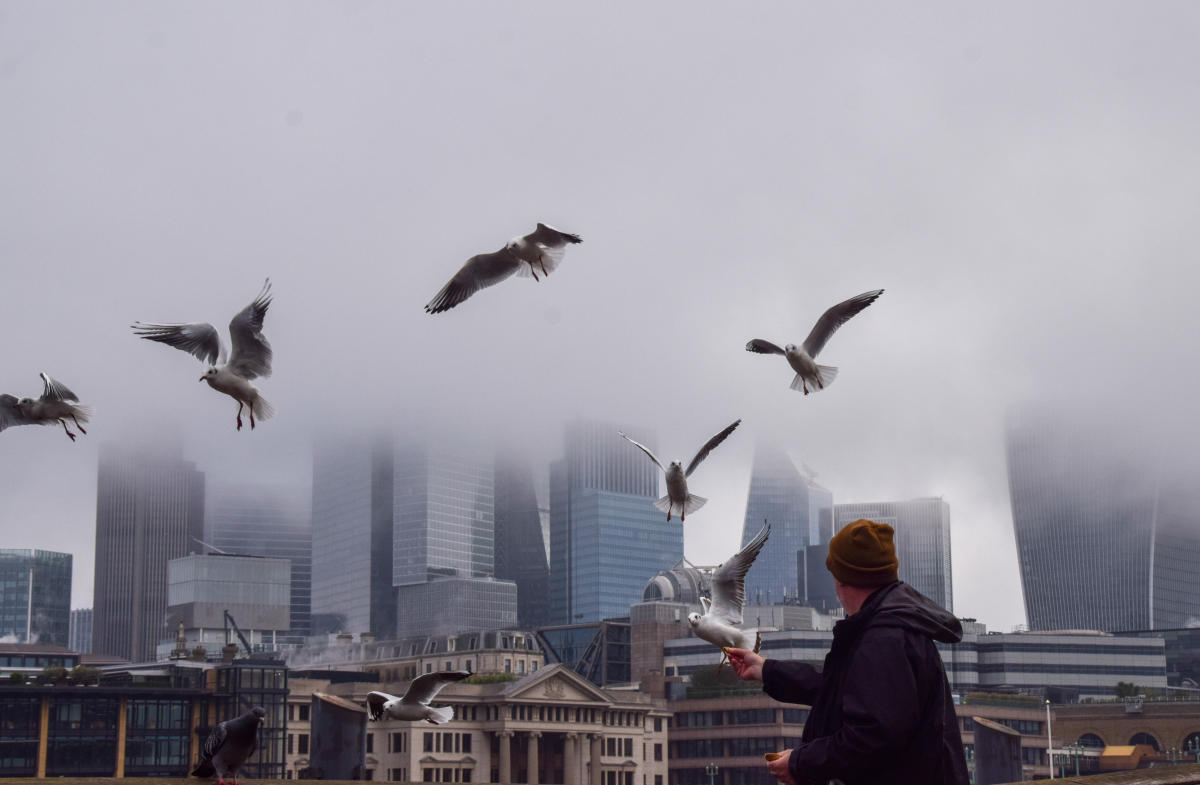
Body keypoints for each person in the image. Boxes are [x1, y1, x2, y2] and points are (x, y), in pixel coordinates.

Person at [727, 518, 969, 785]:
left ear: (840, 579)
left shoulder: (883, 639)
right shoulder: (894, 625)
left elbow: (872, 737)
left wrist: (799, 764)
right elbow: (841, 692)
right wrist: (766, 670)